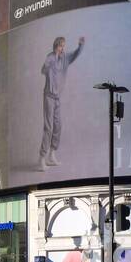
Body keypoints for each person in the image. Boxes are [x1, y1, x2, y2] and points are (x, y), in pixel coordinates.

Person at [39, 35, 85, 172]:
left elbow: (75, 55)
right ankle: (42, 157)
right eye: (61, 46)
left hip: (57, 98)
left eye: (63, 46)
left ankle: (52, 154)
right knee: (48, 127)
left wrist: (80, 46)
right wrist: (49, 67)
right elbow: (43, 69)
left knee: (58, 125)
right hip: (48, 96)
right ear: (56, 46)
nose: (63, 48)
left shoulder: (65, 59)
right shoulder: (51, 58)